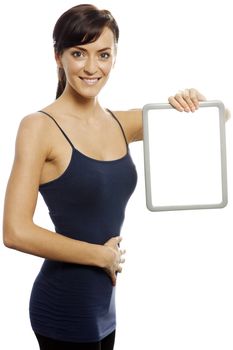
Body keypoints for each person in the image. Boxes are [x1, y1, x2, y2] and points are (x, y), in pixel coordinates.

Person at [2, 4, 222, 350]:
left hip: (105, 307)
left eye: (103, 54)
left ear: (115, 58)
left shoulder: (120, 123)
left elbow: (215, 118)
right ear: (58, 56)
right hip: (64, 306)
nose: (92, 67)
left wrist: (195, 100)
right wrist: (100, 256)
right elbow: (15, 232)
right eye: (79, 53)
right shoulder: (39, 127)